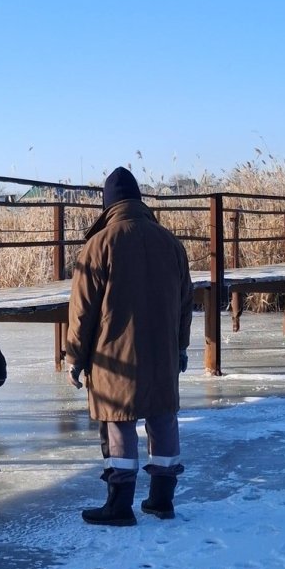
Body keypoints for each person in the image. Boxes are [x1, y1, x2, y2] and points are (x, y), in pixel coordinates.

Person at [66, 167, 193, 526]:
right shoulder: (171, 243)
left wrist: (74, 356)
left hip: (114, 353)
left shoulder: (99, 245)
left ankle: (119, 504)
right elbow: (186, 303)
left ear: (108, 205)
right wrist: (180, 347)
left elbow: (82, 311)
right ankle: (162, 499)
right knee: (163, 417)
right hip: (162, 352)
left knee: (117, 419)